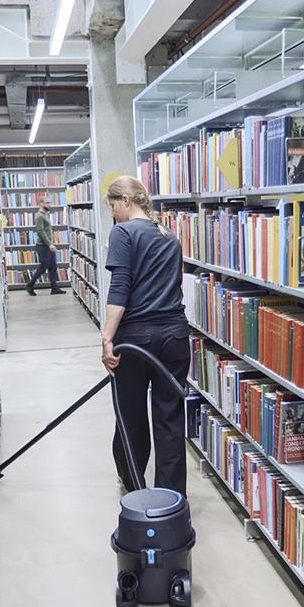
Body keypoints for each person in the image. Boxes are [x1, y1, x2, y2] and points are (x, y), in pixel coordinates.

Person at [100, 175, 190, 498]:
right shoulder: (169, 235)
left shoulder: (122, 233)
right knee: (170, 421)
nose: (112, 214)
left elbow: (120, 288)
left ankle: (135, 488)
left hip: (136, 342)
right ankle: (171, 501)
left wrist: (107, 338)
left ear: (125, 200)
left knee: (131, 417)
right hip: (175, 338)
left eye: (112, 206)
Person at [26, 195, 63, 295]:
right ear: (41, 204)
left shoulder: (46, 214)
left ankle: (54, 288)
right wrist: (49, 244)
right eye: (47, 202)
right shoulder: (39, 216)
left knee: (53, 266)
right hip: (43, 246)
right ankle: (30, 285)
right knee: (43, 268)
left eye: (49, 202)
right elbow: (40, 231)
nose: (49, 204)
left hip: (48, 245)